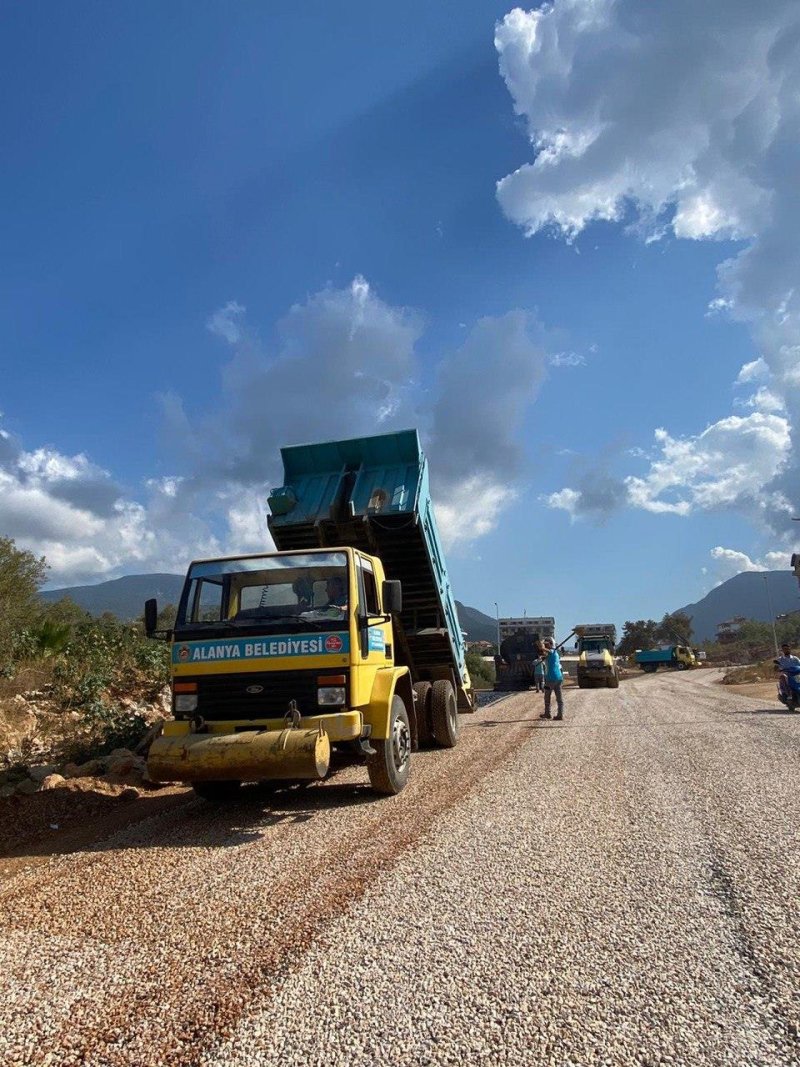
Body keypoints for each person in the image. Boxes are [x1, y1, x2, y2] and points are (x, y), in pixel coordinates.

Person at [539, 638, 564, 720]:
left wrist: (542, 642)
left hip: (550, 679)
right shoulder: (556, 653)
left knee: (547, 696)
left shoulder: (552, 651)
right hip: (559, 677)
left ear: (550, 644)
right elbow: (544, 653)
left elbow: (542, 648)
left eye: (547, 644)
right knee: (559, 698)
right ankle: (560, 715)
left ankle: (547, 713)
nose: (546, 645)